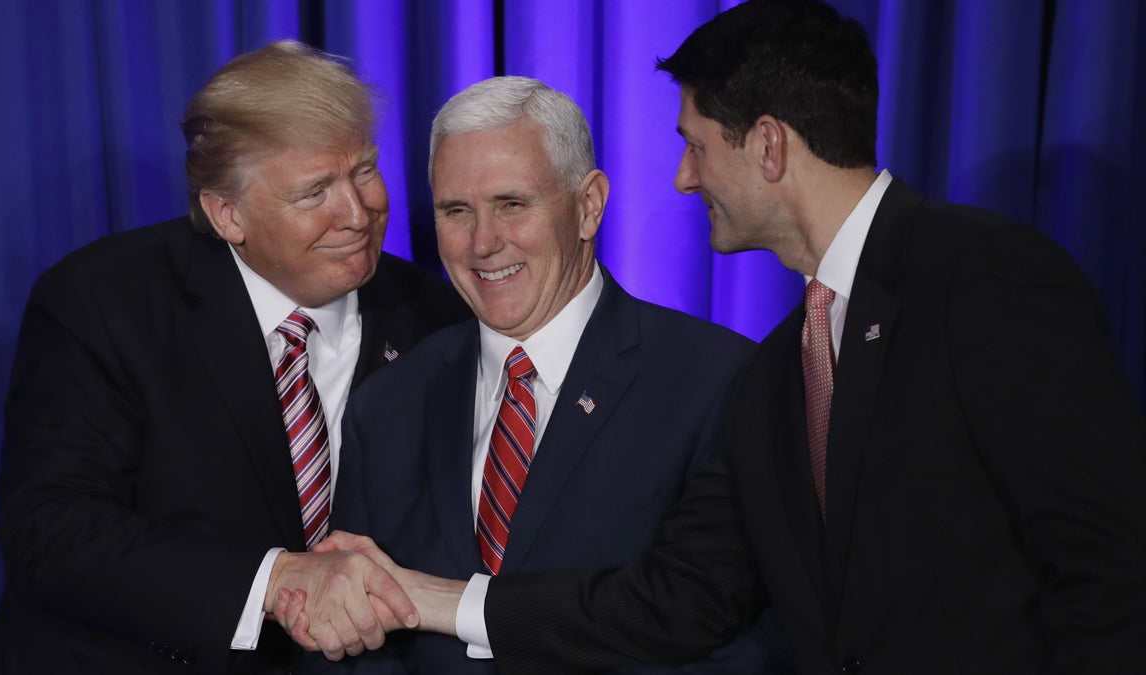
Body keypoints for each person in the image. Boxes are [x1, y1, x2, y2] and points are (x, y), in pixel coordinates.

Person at [273, 1, 1146, 673]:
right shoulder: (782, 368)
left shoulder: (983, 275)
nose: (685, 178)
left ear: (767, 146)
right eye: (455, 210)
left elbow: (1107, 565)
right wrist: (425, 596)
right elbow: (680, 598)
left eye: (694, 146)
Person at [0, 40, 470, 674]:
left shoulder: (439, 318)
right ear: (227, 213)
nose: (358, 212)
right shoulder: (104, 303)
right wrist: (276, 579)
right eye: (315, 190)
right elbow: (51, 531)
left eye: (364, 170)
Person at [295, 76, 784, 674]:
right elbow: (350, 637)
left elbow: (722, 630)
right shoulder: (388, 402)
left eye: (512, 204)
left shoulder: (718, 381)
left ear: (588, 206)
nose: (483, 243)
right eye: (456, 211)